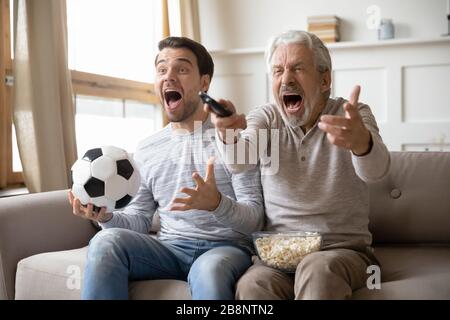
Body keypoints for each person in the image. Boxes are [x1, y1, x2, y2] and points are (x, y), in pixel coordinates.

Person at [68, 36, 264, 300]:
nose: (169, 77)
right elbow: (138, 220)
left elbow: (255, 220)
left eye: (181, 69)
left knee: (210, 271)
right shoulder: (148, 149)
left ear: (204, 83)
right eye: (162, 69)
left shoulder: (232, 138)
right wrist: (104, 217)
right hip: (169, 249)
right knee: (105, 242)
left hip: (225, 249)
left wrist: (217, 204)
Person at [205, 30, 391, 300]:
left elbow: (376, 172)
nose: (286, 79)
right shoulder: (267, 117)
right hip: (278, 257)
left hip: (343, 253)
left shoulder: (354, 114)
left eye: (298, 68)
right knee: (252, 285)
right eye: (278, 71)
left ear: (325, 79)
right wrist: (227, 133)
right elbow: (239, 162)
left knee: (316, 268)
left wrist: (362, 142)